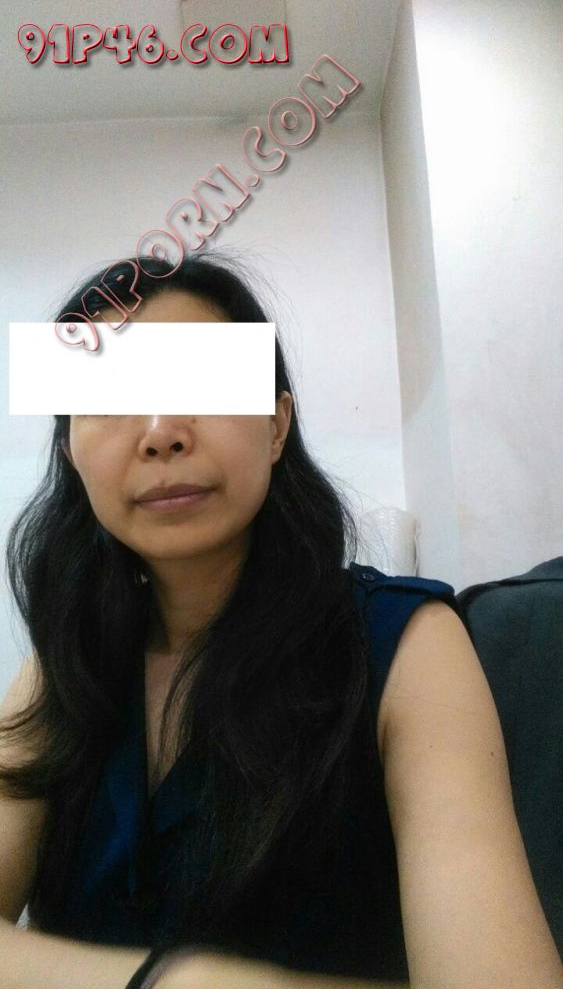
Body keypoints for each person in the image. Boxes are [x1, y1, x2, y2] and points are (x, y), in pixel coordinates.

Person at [0, 251, 561, 989]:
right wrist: (176, 983)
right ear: (72, 453)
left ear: (275, 426)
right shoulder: (65, 665)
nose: (160, 432)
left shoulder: (407, 646)